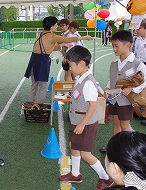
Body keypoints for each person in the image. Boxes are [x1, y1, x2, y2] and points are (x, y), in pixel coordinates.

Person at [58, 46, 113, 190]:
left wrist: (82, 123)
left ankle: (106, 178)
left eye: (71, 65)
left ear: (81, 64)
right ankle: (75, 174)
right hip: (77, 121)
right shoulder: (80, 78)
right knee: (73, 146)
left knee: (86, 154)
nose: (70, 68)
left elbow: (93, 106)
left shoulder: (88, 82)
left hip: (85, 124)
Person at [24, 16, 92, 104]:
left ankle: (31, 105)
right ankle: (38, 107)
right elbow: (68, 39)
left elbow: (47, 48)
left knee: (34, 84)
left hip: (34, 60)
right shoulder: (52, 36)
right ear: (52, 25)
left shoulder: (40, 34)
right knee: (43, 85)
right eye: (56, 24)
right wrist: (84, 37)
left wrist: (61, 45)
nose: (57, 26)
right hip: (42, 61)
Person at [100, 30, 146, 153]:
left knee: (124, 125)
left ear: (127, 45)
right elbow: (112, 78)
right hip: (114, 98)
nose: (114, 49)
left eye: (117, 46)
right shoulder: (114, 63)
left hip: (127, 100)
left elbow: (145, 81)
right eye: (113, 46)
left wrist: (133, 89)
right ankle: (115, 147)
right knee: (115, 122)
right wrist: (107, 89)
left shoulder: (137, 64)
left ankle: (133, 149)